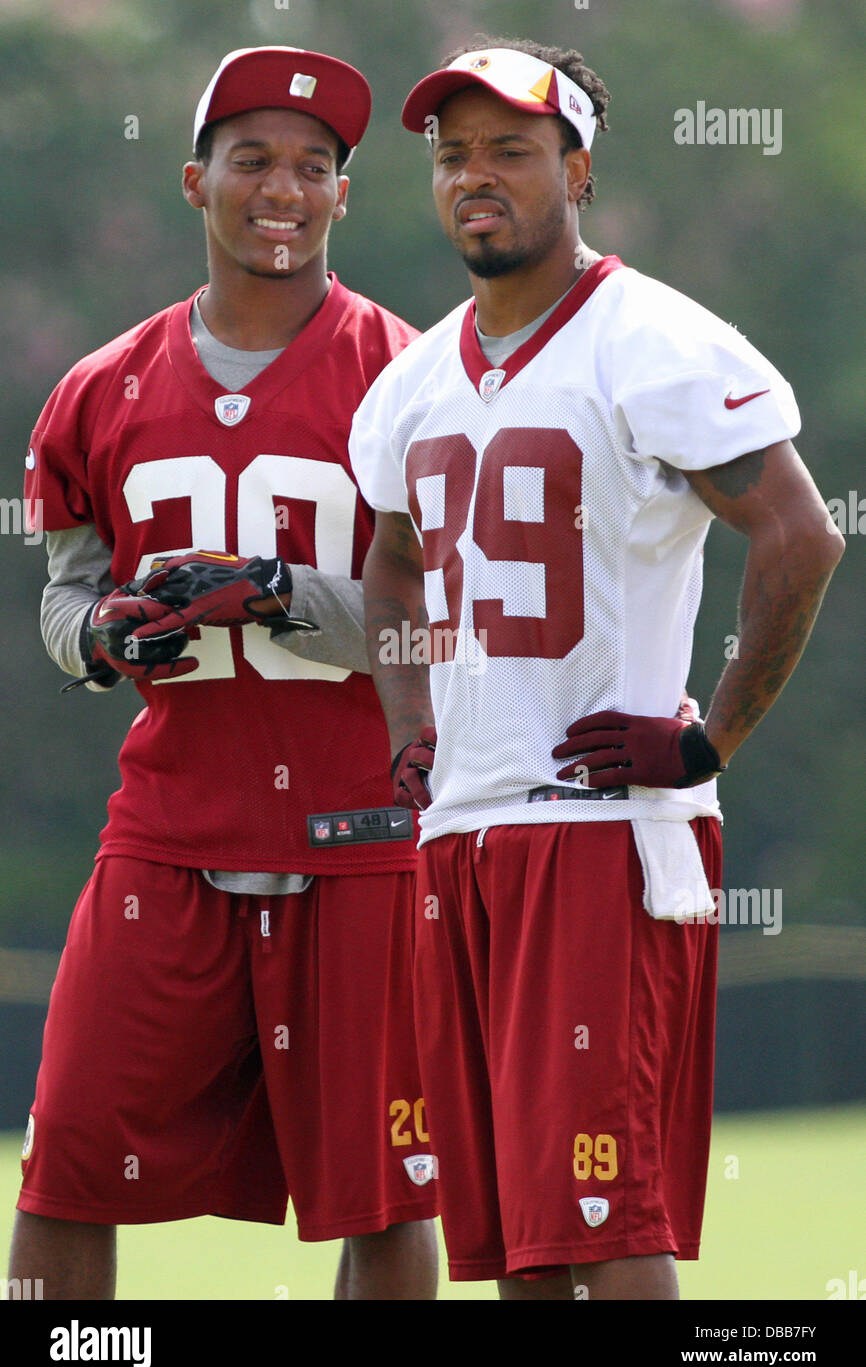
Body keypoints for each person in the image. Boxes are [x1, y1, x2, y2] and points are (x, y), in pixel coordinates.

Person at [351, 37, 844, 1300]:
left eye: (510, 151)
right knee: (519, 1239)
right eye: (453, 154)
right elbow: (393, 564)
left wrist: (707, 738)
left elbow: (798, 532)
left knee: (604, 1220)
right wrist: (410, 719)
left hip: (598, 827)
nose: (477, 175)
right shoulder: (409, 382)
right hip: (461, 827)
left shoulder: (654, 341)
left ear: (576, 170)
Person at [12, 46, 438, 1301]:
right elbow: (63, 594)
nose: (284, 188)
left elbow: (447, 621)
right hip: (170, 828)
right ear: (195, 179)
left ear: (344, 200)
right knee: (67, 1162)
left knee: (381, 1191)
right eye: (253, 158)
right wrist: (98, 638)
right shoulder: (100, 389)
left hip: (361, 829)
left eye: (315, 166)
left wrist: (276, 592)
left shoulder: (407, 379)